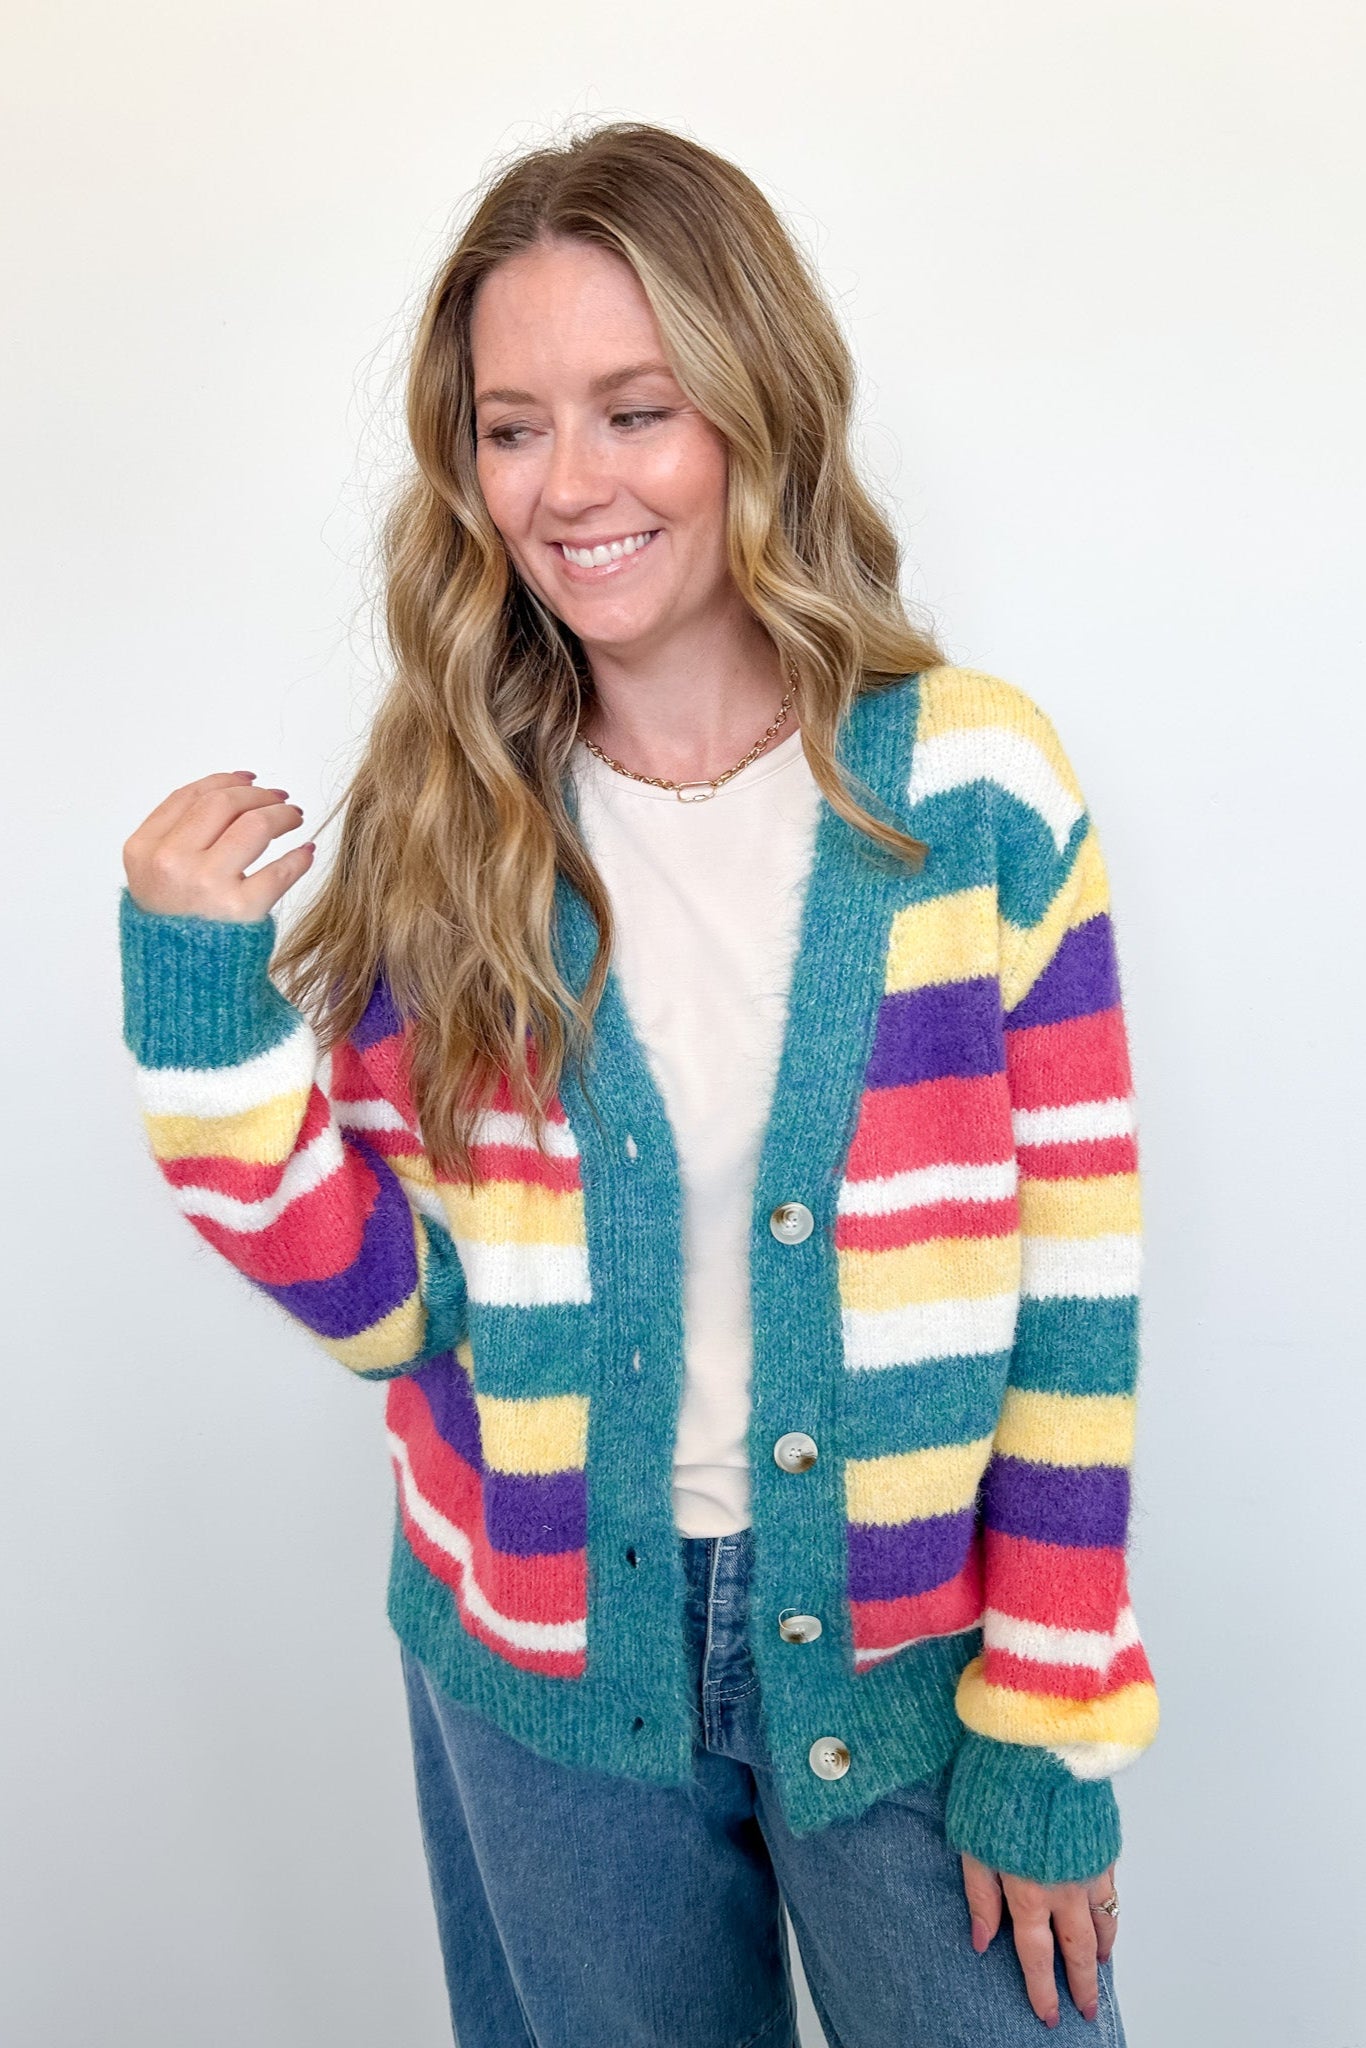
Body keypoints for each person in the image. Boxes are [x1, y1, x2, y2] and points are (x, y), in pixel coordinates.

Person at [117, 120, 1158, 2047]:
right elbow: (394, 1309)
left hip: (915, 1656)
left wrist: (1051, 1717)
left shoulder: (971, 791)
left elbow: (1074, 1306)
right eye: (513, 426)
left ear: (751, 411)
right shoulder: (456, 830)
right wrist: (201, 1008)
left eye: (633, 409)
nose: (568, 485)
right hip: (545, 1664)